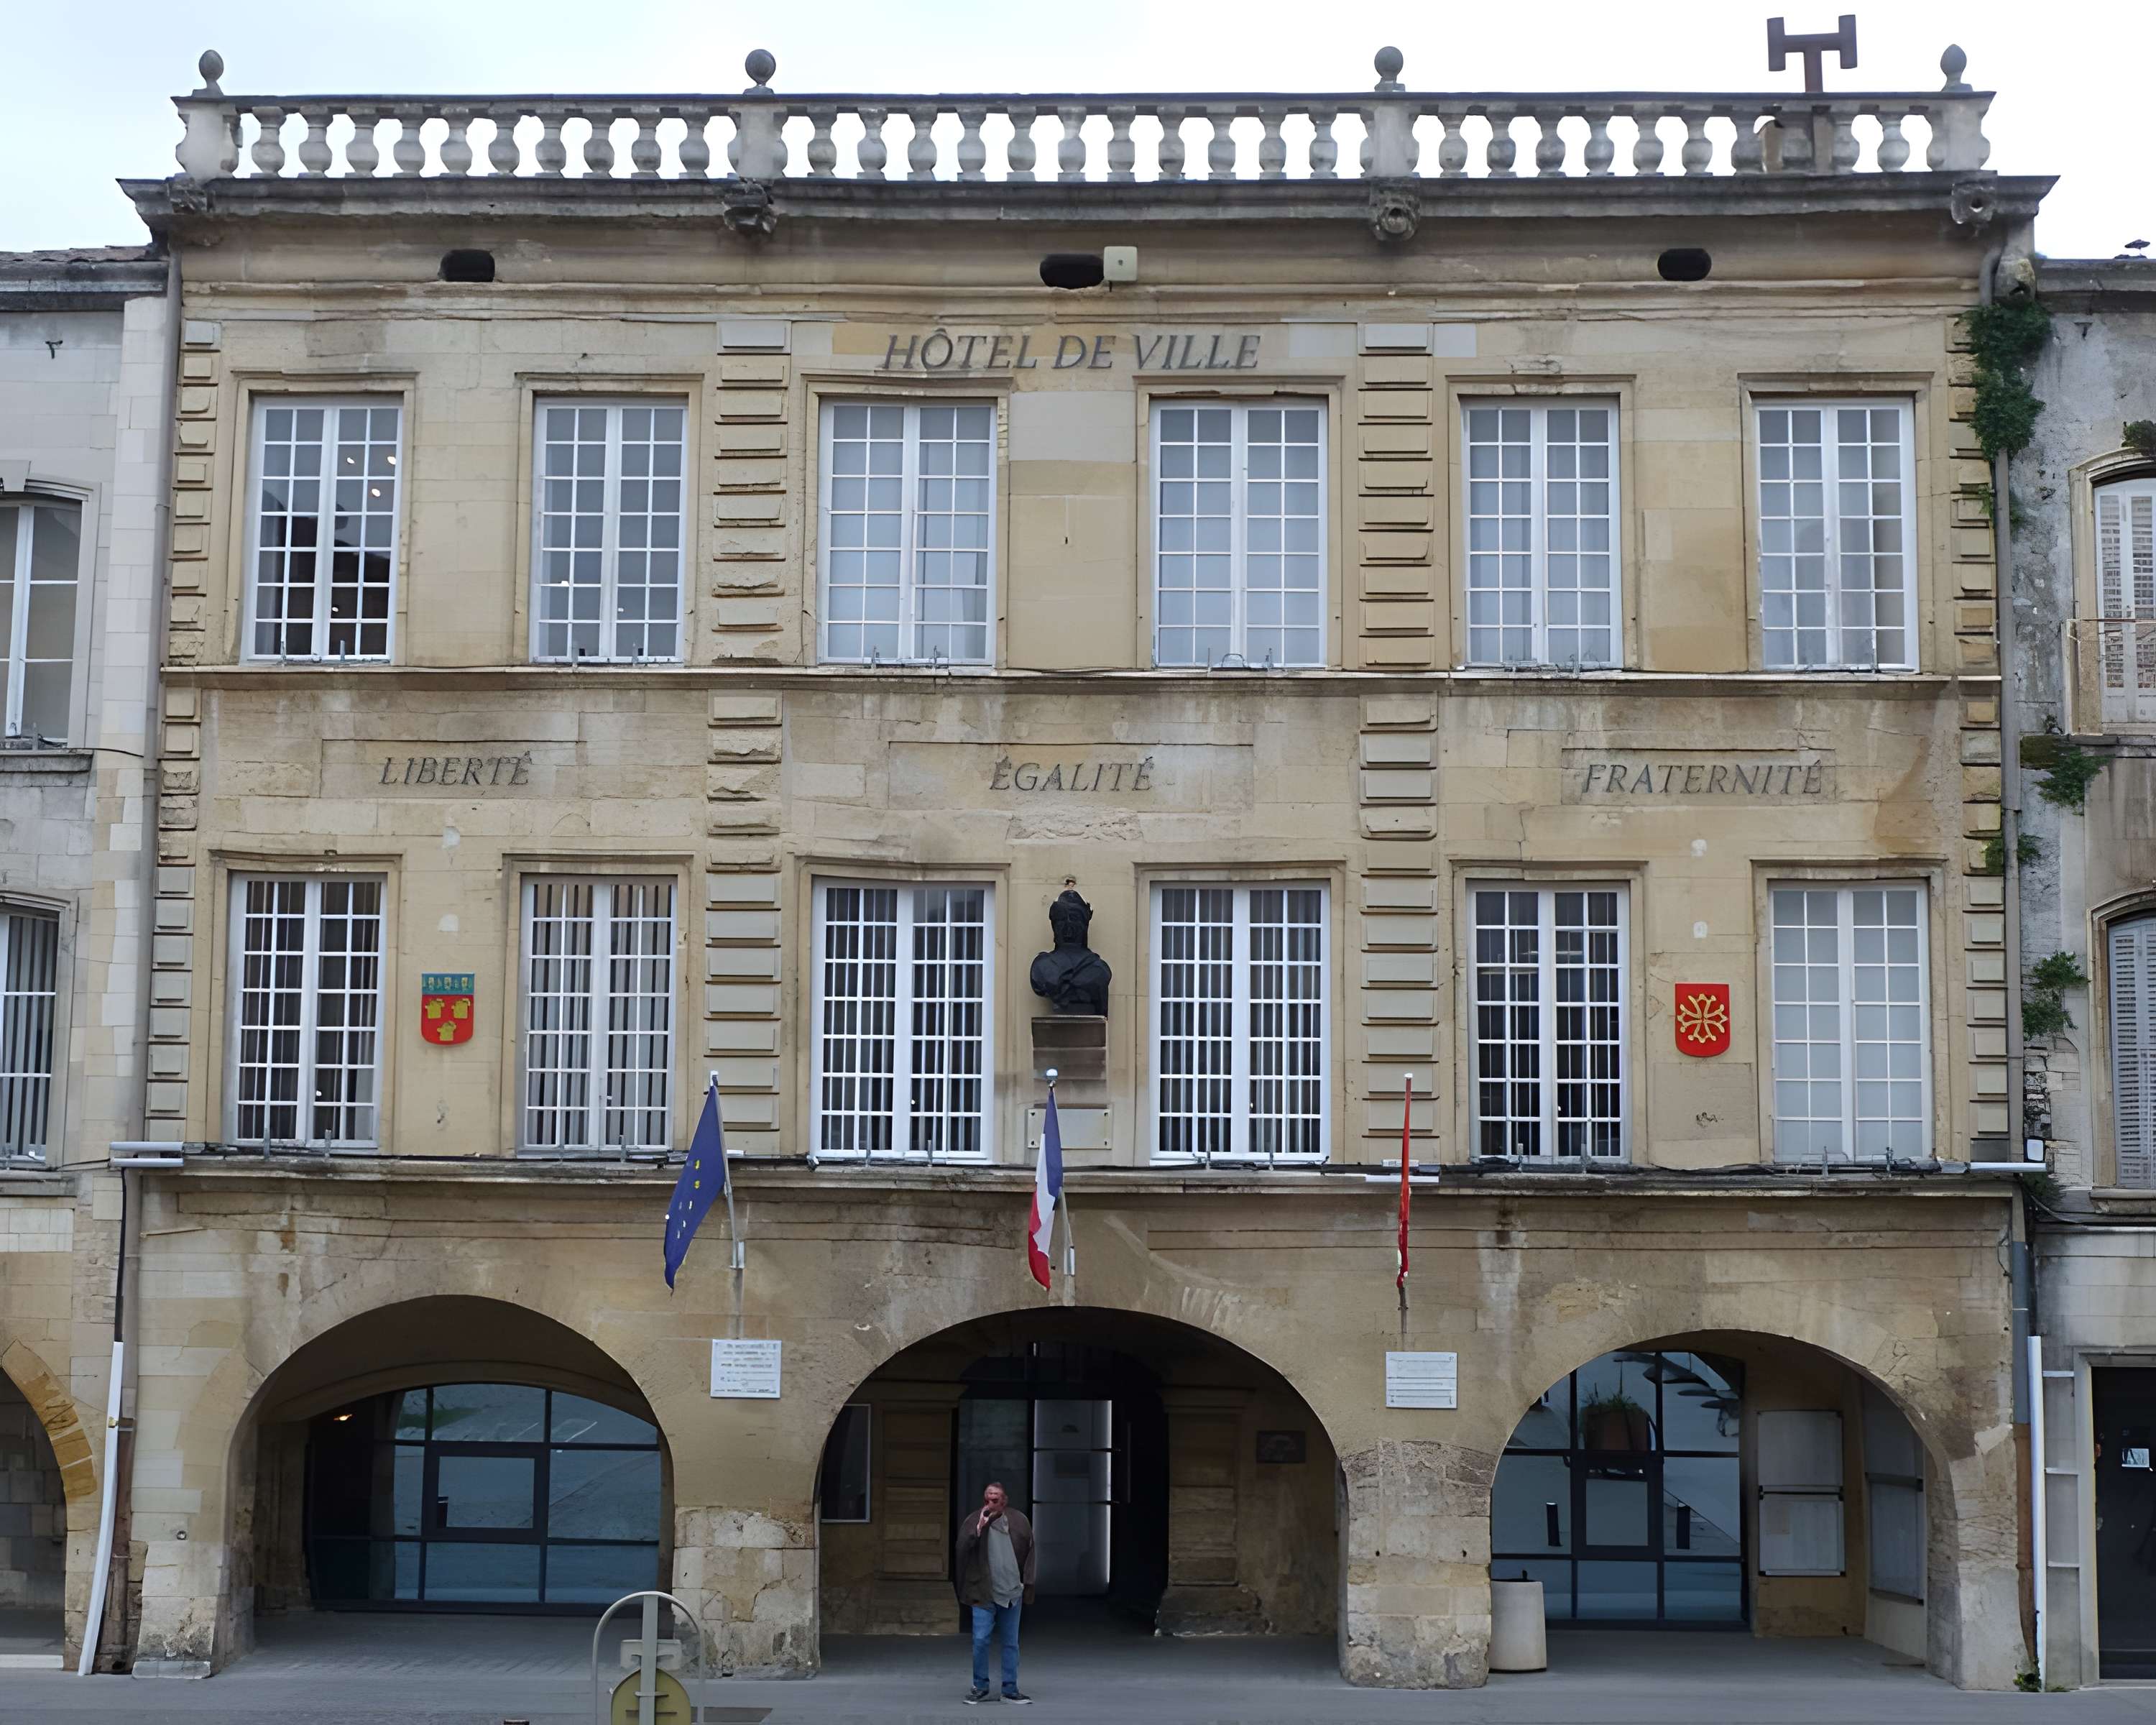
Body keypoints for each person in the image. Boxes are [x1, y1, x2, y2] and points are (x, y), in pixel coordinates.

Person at [954, 1481, 1035, 1704]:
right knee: (980, 1640)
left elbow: (1030, 1550)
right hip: (983, 1592)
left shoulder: (1018, 1520)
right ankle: (980, 1686)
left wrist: (1026, 1582)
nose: (991, 1502)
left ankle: (1010, 1689)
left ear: (1004, 1500)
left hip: (1011, 1592)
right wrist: (978, 1530)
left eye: (995, 1498)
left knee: (1011, 1643)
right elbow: (961, 1549)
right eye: (988, 1498)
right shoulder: (974, 1520)